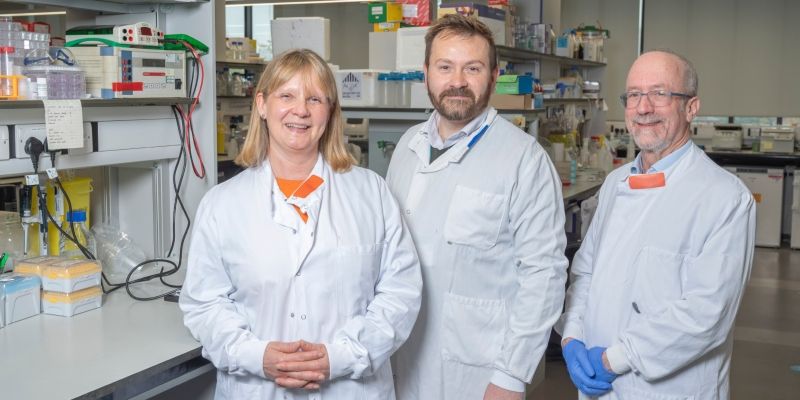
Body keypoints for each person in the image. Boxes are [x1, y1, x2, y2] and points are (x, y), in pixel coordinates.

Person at [180, 49, 423, 399]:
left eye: (314, 98)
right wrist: (258, 356)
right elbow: (204, 304)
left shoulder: (372, 193)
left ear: (330, 111)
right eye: (287, 96)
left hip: (350, 388)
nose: (301, 110)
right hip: (258, 388)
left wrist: (339, 357)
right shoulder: (222, 203)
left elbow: (400, 293)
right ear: (262, 105)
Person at [387, 14, 569, 400]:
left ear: (493, 74)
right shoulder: (406, 146)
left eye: (472, 68)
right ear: (426, 73)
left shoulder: (523, 159)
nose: (457, 81)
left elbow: (544, 276)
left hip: (480, 373)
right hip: (401, 358)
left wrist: (511, 377)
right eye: (445, 67)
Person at [557, 50, 756, 399]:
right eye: (634, 95)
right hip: (597, 385)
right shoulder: (615, 183)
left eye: (660, 94)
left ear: (691, 107)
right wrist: (572, 337)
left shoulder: (725, 197)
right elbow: (585, 274)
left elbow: (706, 315)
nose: (643, 107)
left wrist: (611, 360)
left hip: (670, 389)